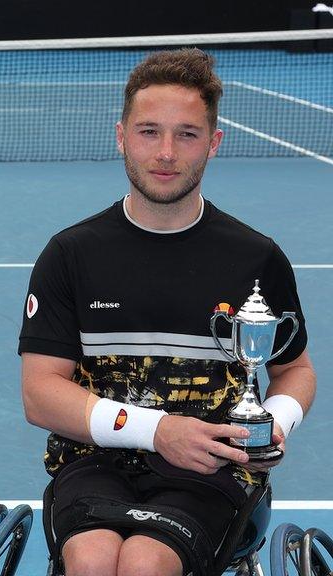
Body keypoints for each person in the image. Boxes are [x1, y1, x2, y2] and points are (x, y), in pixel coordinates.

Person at [19, 48, 316, 576]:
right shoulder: (70, 253)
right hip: (93, 462)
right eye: (149, 131)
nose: (166, 152)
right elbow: (41, 392)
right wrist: (157, 430)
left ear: (214, 143)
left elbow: (294, 370)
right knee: (91, 558)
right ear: (121, 136)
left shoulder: (256, 258)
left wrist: (274, 422)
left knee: (144, 564)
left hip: (212, 469)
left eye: (187, 134)